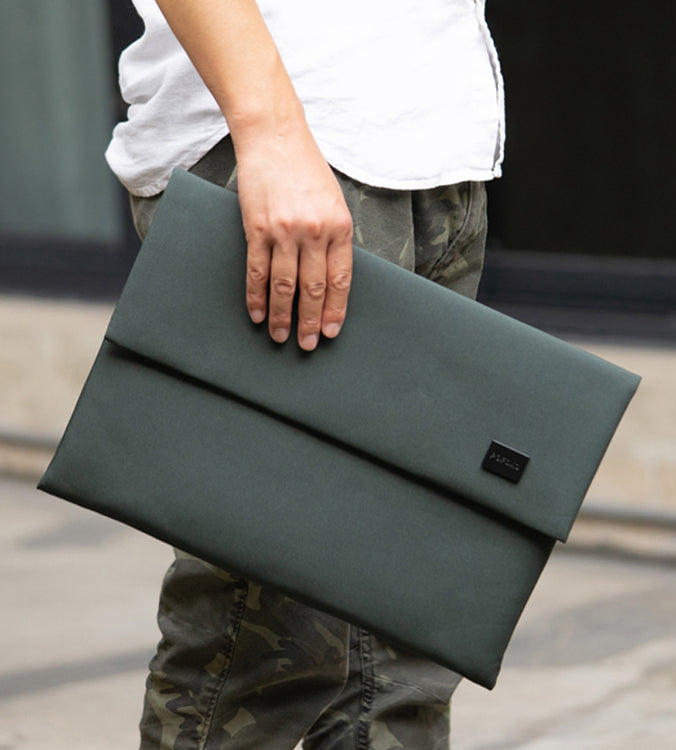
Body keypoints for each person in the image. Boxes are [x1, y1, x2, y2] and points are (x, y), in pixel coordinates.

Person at [105, 1, 505, 747]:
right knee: (257, 646)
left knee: (403, 658)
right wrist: (271, 133)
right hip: (297, 150)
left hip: (431, 155)